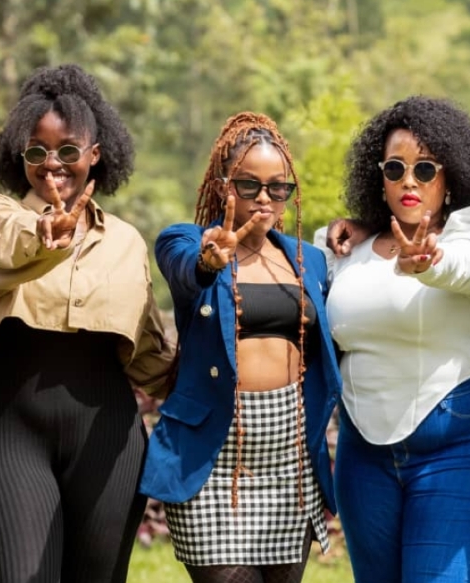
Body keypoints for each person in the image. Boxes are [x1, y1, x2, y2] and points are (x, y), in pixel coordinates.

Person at [0, 63, 177, 583]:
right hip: (10, 432)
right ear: (21, 155)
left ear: (95, 155)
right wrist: (45, 233)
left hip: (108, 439)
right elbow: (6, 241)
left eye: (68, 150)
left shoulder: (126, 240)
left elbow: (148, 351)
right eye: (37, 151)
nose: (52, 164)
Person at [316, 96, 470, 582]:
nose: (410, 180)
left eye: (425, 169)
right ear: (377, 177)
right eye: (396, 168)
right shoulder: (345, 245)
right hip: (363, 451)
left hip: (455, 444)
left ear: (449, 180)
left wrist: (431, 263)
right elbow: (277, 262)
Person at [140, 112, 342, 583]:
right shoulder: (185, 240)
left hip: (288, 458)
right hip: (214, 456)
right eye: (249, 185)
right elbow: (188, 269)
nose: (265, 199)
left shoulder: (306, 258)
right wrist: (210, 260)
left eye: (279, 187)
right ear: (220, 184)